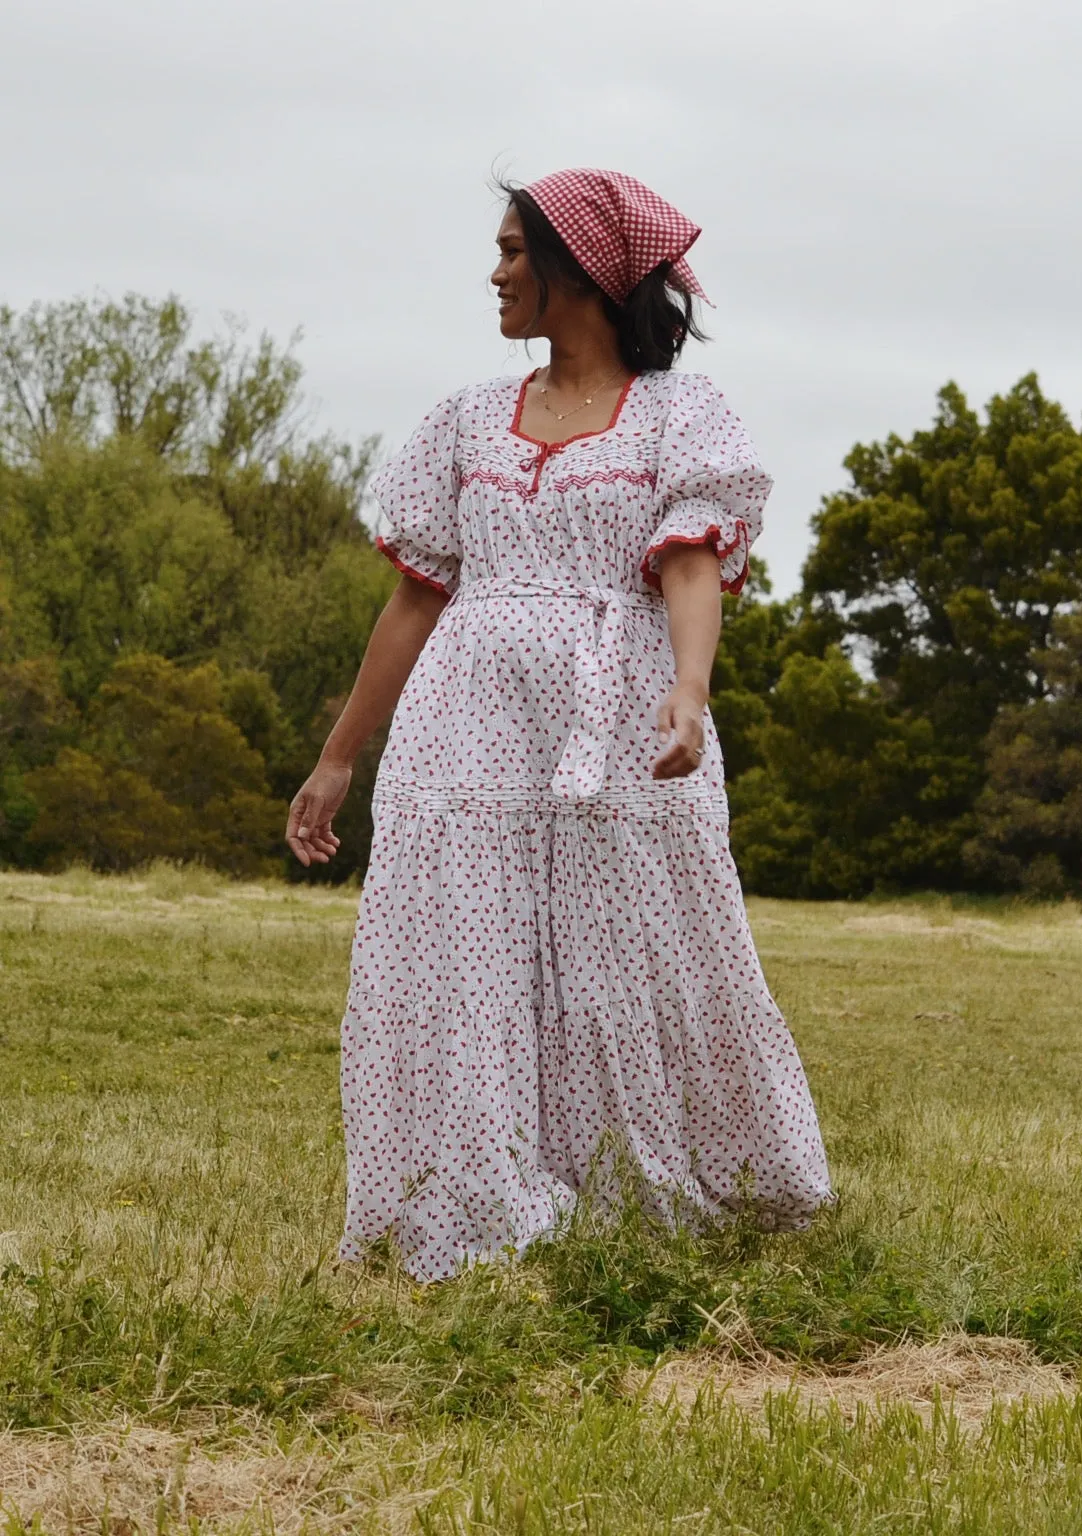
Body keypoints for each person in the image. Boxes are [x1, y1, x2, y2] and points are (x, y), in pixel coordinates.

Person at [286, 167, 832, 1281]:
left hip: (616, 713)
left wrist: (689, 691)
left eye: (512, 252)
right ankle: (486, 1196)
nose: (493, 273)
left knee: (637, 945)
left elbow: (686, 562)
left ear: (579, 268)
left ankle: (668, 1183)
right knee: (469, 949)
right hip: (466, 720)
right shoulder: (466, 421)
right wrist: (339, 757)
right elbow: (416, 597)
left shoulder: (681, 414)